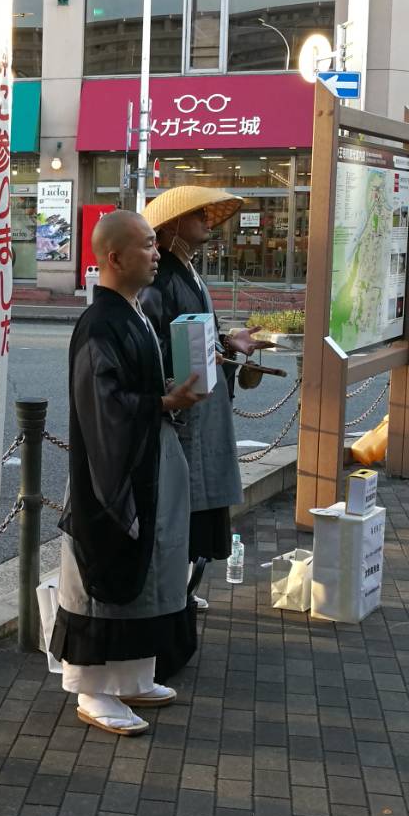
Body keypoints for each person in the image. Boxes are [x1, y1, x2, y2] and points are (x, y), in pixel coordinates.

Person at [52, 209, 201, 737]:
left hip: (142, 463)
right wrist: (161, 402)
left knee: (149, 569)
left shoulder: (132, 312)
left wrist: (167, 394)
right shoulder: (100, 323)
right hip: (107, 476)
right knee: (104, 576)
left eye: (155, 244)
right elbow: (104, 406)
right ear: (114, 257)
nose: (157, 253)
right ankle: (93, 691)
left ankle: (133, 676)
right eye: (146, 245)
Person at [139, 187, 246, 635]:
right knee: (182, 499)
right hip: (184, 406)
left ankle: (182, 585)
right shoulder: (161, 279)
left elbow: (199, 333)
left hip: (202, 401)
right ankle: (173, 587)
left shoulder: (188, 272)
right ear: (173, 225)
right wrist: (197, 356)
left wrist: (227, 342)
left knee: (198, 501)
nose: (207, 219)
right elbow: (155, 343)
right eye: (197, 214)